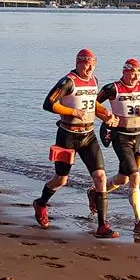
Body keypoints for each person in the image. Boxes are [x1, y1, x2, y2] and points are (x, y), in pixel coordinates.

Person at [32, 48, 119, 238]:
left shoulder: (95, 81)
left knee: (101, 178)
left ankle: (102, 226)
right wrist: (73, 112)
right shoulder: (68, 82)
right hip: (67, 136)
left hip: (89, 136)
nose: (89, 68)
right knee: (61, 179)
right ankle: (41, 203)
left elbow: (92, 104)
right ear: (78, 63)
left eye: (92, 64)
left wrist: (106, 115)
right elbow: (48, 103)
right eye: (85, 64)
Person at [97, 58, 140, 236]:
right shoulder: (113, 88)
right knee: (135, 176)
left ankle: (97, 191)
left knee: (122, 179)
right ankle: (139, 222)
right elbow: (94, 104)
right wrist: (107, 117)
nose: (135, 76)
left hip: (136, 137)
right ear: (124, 72)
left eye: (138, 73)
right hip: (120, 137)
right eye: (132, 73)